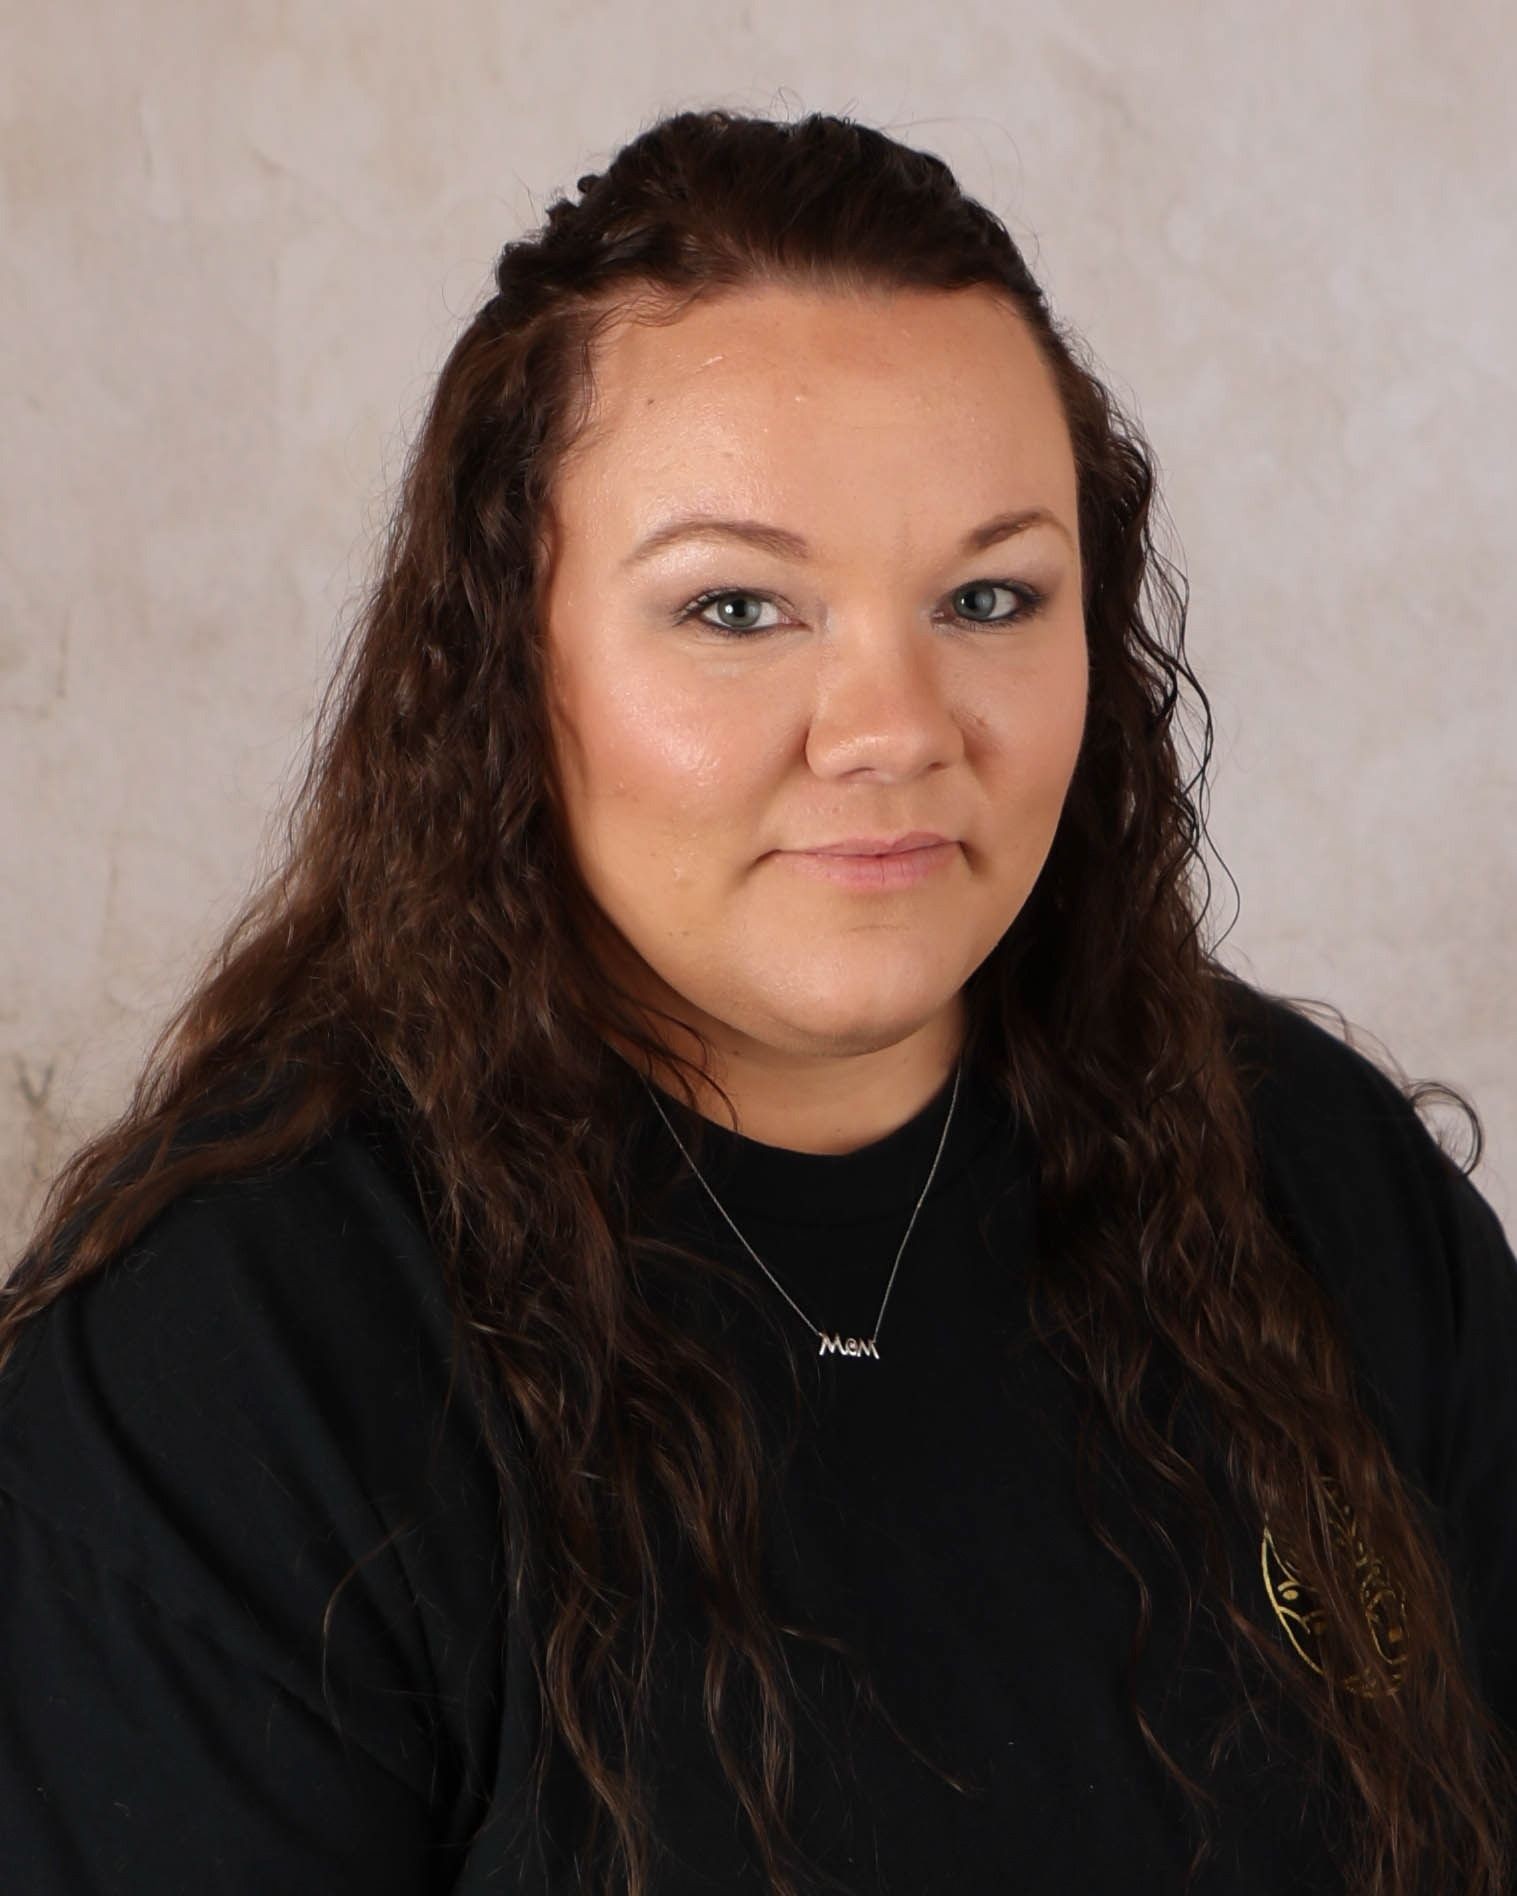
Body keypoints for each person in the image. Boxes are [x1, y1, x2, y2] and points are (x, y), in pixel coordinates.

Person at [1, 105, 1513, 1896]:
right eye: (736, 608)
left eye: (987, 594)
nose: (894, 724)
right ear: (507, 663)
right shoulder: (228, 1369)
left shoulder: (1307, 1178)